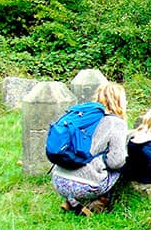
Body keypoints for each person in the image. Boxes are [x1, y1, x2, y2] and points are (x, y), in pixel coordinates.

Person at [52, 82, 128, 216]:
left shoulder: (82, 117)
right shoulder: (116, 123)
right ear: (119, 101)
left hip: (58, 181)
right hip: (84, 185)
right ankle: (97, 204)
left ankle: (72, 202)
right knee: (121, 166)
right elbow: (116, 161)